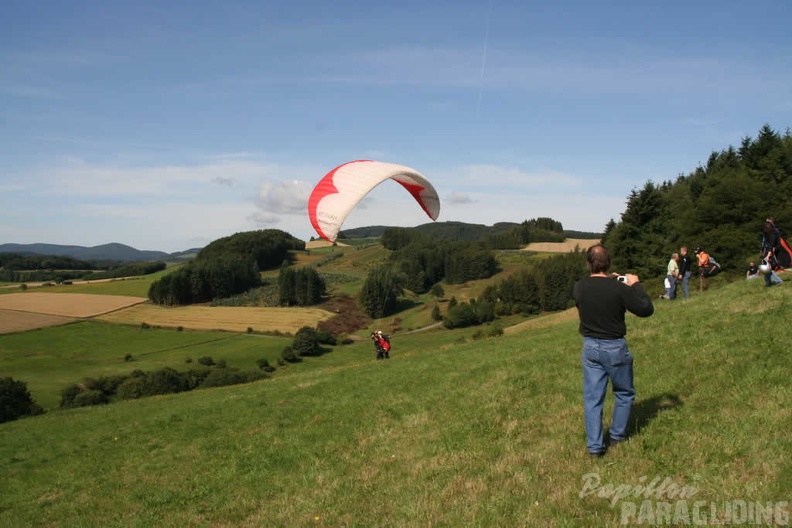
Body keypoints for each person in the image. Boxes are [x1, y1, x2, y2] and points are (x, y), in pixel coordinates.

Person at [572, 244, 655, 457]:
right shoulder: (619, 287)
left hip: (590, 345)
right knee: (624, 393)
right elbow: (646, 309)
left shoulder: (579, 286)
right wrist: (635, 285)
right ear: (608, 263)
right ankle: (617, 437)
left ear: (588, 263)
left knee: (593, 399)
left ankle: (595, 448)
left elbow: (584, 309)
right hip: (614, 346)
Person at [760, 221, 784, 287]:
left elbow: (772, 245)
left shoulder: (772, 234)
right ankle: (768, 283)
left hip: (770, 252)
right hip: (770, 251)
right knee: (766, 268)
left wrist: (768, 255)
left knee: (767, 268)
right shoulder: (775, 233)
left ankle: (778, 281)